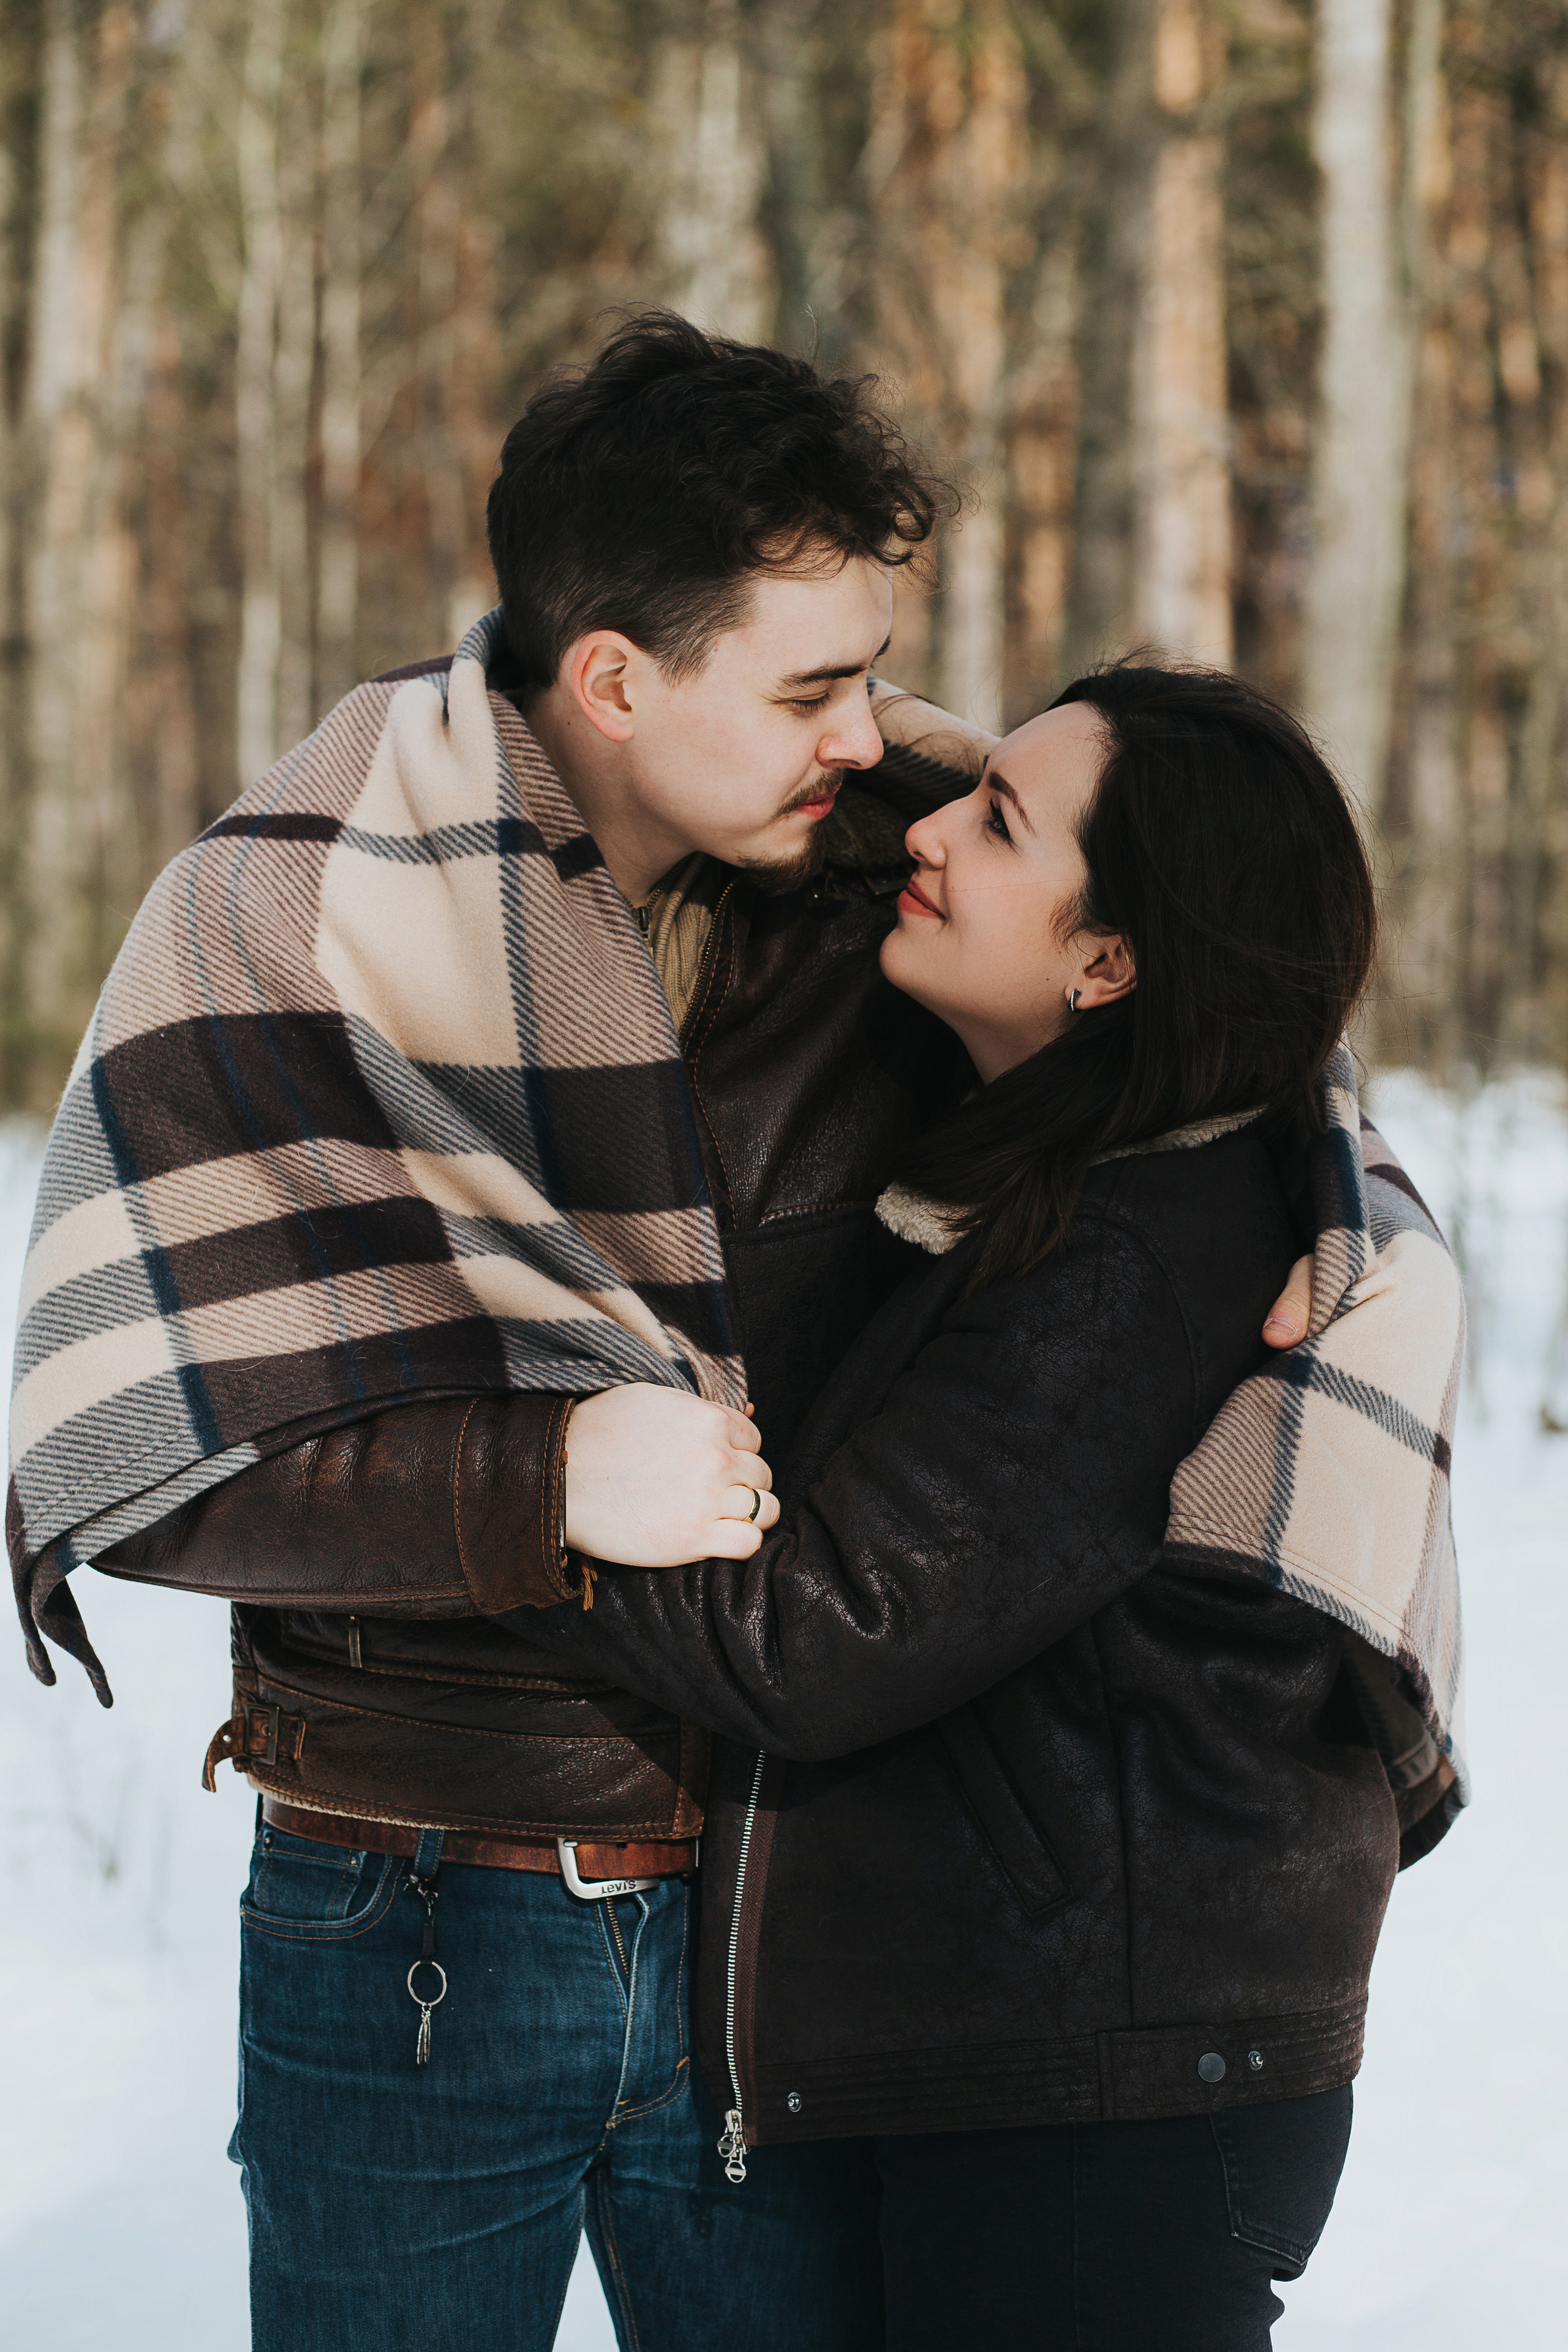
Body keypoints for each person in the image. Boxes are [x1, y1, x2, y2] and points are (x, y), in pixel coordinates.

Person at [12, 322, 1332, 2352]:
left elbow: (1203, 999)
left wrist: (1334, 1212)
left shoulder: (882, 886)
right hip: (423, 1906)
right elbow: (146, 1453)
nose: (872, 732)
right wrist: (533, 1484)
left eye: (876, 669)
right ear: (619, 676)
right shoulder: (294, 916)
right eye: (814, 684)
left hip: (783, 1926)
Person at [491, 664, 1468, 2348]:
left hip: (1100, 2122)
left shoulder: (1143, 1257)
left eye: (999, 821)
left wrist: (496, 1501)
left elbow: (818, 1635)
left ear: (1110, 958)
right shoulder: (1107, 1181)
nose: (928, 828)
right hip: (1072, 2079)